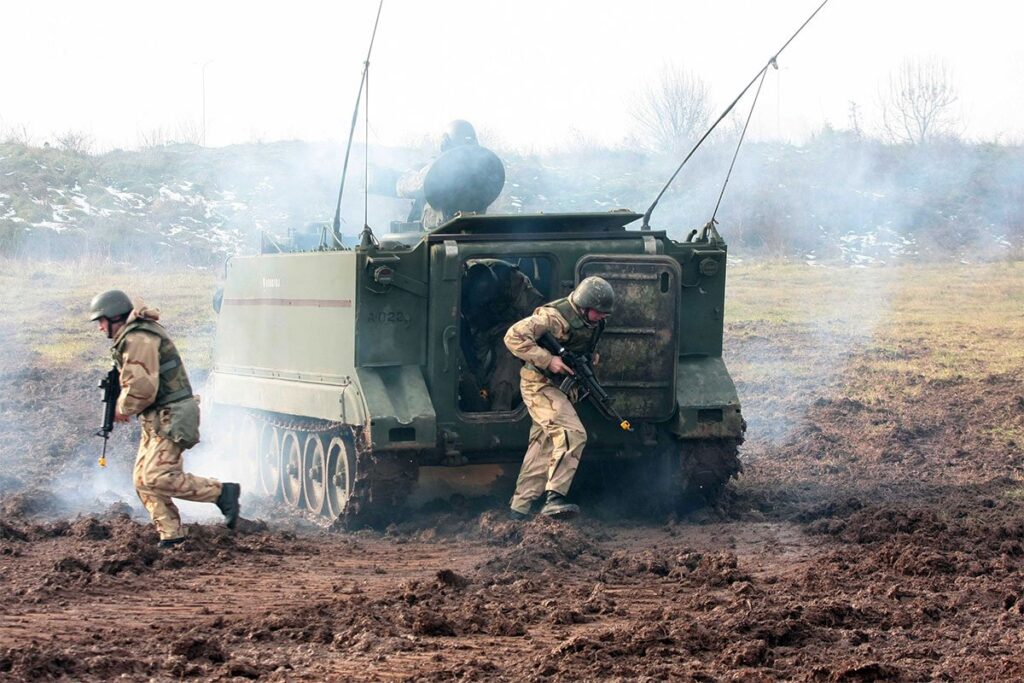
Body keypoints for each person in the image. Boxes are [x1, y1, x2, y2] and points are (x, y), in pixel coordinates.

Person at [89, 289, 240, 548]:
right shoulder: (133, 336)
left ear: (115, 317)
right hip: (158, 417)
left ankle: (221, 493)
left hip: (171, 415)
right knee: (142, 480)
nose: (100, 328)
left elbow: (143, 388)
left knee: (157, 476)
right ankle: (171, 534)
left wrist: (122, 408)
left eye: (102, 321)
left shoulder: (139, 338)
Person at [503, 276, 615, 520]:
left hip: (559, 388)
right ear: (585, 306)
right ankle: (554, 498)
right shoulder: (553, 318)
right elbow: (512, 337)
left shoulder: (592, 323)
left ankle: (518, 511)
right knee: (572, 433)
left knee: (543, 447)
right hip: (539, 385)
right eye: (599, 312)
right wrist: (548, 360)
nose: (602, 318)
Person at [460, 259, 545, 411]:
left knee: (507, 365)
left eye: (488, 297)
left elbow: (539, 317)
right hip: (479, 332)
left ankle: (500, 410)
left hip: (514, 329)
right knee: (473, 372)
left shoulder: (512, 281)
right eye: (482, 300)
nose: (486, 302)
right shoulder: (460, 286)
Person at [396, 119, 480, 229]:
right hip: (472, 228)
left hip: (438, 230)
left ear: (445, 143)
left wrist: (406, 177)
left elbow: (407, 187)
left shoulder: (437, 167)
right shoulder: (481, 168)